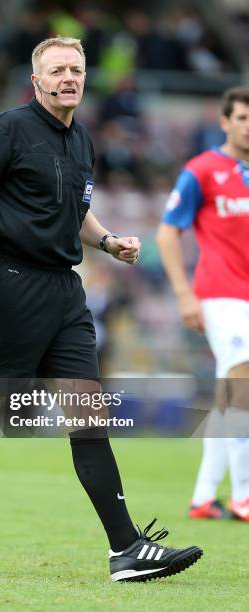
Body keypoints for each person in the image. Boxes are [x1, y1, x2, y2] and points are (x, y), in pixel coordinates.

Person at [0, 37, 202, 581]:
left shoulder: (80, 138)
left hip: (66, 291)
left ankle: (125, 548)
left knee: (89, 416)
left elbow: (75, 210)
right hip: (10, 284)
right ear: (35, 80)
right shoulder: (6, 130)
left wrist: (108, 242)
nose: (69, 77)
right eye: (57, 69)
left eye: (77, 69)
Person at [157, 87, 249, 522]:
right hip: (221, 293)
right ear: (226, 121)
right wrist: (182, 293)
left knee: (228, 397)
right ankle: (244, 496)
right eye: (243, 117)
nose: (248, 126)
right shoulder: (202, 171)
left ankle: (203, 497)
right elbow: (167, 231)